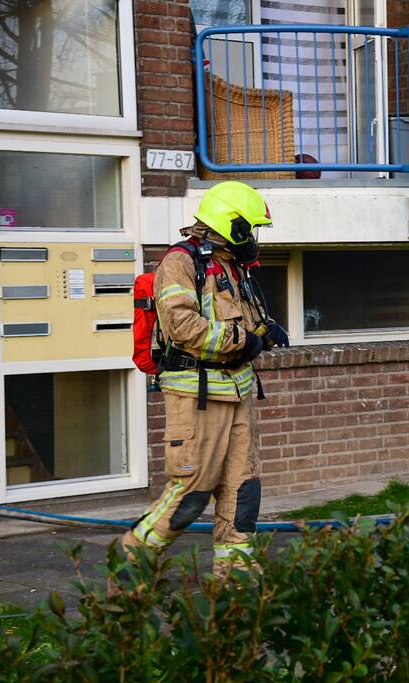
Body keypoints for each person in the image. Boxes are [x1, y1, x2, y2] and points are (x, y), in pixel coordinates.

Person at [121, 181, 289, 579]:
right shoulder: (179, 263)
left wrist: (264, 331)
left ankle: (236, 581)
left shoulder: (232, 265)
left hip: (239, 391)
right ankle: (128, 567)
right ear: (232, 225)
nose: (255, 238)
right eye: (252, 227)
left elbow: (243, 321)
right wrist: (241, 340)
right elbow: (181, 325)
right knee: (191, 494)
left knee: (242, 490)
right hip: (197, 395)